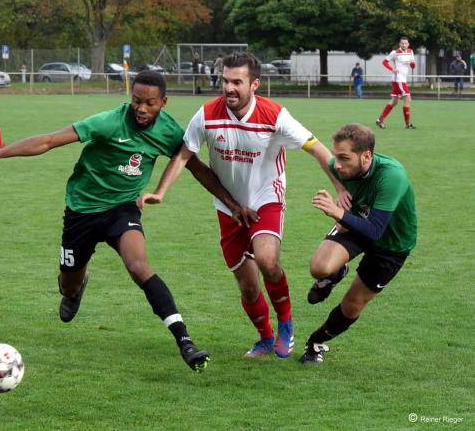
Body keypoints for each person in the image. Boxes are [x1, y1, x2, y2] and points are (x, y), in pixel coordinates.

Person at [0, 71, 252, 372]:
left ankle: (185, 341)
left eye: (150, 103)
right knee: (68, 286)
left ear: (163, 102)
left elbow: (196, 168)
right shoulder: (109, 122)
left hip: (122, 210)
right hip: (81, 211)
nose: (141, 109)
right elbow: (47, 141)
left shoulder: (169, 132)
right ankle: (76, 287)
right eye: (136, 101)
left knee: (139, 266)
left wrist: (233, 204)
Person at [138, 53, 350, 359]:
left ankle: (286, 324)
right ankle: (265, 337)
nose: (229, 88)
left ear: (254, 84)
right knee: (248, 287)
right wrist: (160, 192)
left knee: (266, 261)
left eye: (237, 82)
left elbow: (317, 149)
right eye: (225, 81)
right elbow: (184, 155)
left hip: (267, 198)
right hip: (228, 207)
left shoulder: (274, 115)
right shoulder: (208, 113)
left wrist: (340, 186)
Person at [300, 124, 417, 364]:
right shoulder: (339, 166)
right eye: (337, 156)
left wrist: (337, 213)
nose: (338, 165)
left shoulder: (392, 175)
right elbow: (326, 159)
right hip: (356, 223)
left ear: (366, 156)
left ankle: (316, 341)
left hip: (391, 244)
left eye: (345, 158)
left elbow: (375, 230)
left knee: (353, 305)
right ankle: (334, 273)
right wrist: (339, 187)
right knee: (320, 267)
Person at [375, 36, 416, 130]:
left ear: (408, 44)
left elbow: (412, 66)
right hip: (398, 79)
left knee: (394, 102)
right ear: (399, 44)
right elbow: (385, 62)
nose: (404, 45)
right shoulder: (395, 53)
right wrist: (392, 69)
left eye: (406, 43)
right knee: (407, 99)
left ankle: (380, 120)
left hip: (401, 80)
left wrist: (413, 64)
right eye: (402, 43)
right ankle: (408, 124)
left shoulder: (410, 52)